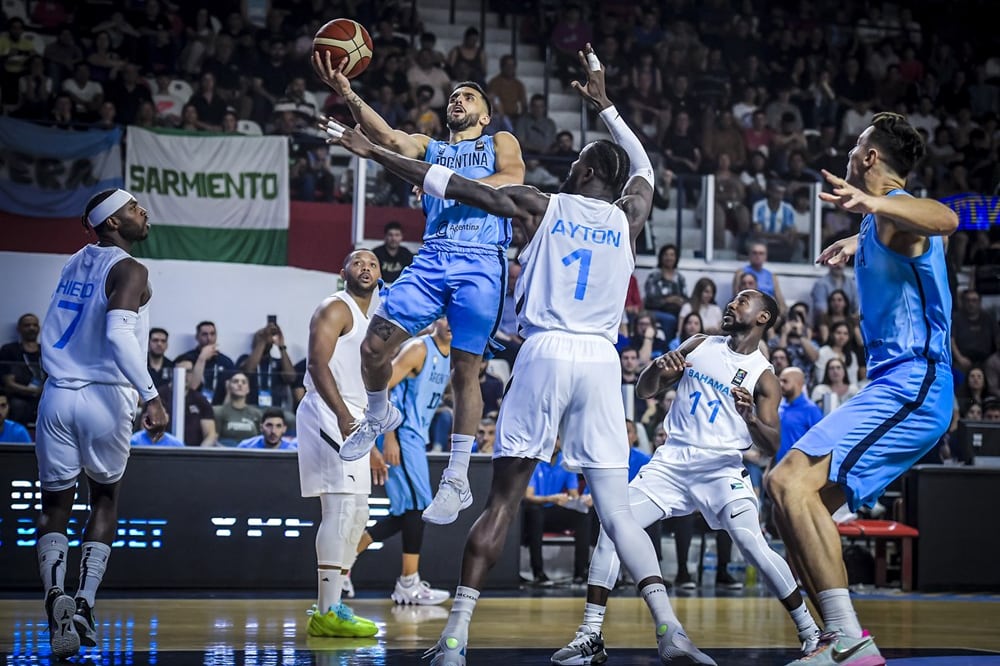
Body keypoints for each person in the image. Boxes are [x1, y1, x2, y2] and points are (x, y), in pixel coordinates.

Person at [326, 43, 682, 666]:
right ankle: (670, 631)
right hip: (603, 362)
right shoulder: (632, 215)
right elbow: (645, 167)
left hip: (544, 354)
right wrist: (606, 106)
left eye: (575, 164)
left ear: (580, 173)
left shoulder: (541, 204)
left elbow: (452, 184)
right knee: (618, 510)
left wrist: (375, 153)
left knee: (503, 500)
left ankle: (456, 638)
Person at [767, 112, 958, 666]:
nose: (851, 153)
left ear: (870, 157)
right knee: (794, 508)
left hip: (915, 383)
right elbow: (887, 231)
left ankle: (849, 638)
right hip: (895, 385)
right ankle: (836, 640)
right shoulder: (880, 225)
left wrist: (872, 210)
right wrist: (856, 237)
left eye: (857, 146)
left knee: (787, 481)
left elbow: (945, 219)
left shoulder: (900, 215)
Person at [313, 48, 525, 527]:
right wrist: (348, 93)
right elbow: (386, 137)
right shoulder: (432, 147)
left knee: (465, 372)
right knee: (372, 348)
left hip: (481, 261)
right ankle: (378, 414)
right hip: (432, 256)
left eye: (468, 96)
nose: (458, 100)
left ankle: (455, 477)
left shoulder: (500, 140)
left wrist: (439, 182)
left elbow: (510, 182)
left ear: (485, 114)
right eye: (453, 95)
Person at [553, 289, 822, 665]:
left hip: (721, 466)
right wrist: (657, 370)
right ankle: (591, 635)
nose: (732, 304)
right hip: (672, 462)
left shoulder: (765, 377)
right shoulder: (699, 344)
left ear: (763, 318)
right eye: (732, 300)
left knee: (752, 545)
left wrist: (750, 418)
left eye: (743, 301)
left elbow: (772, 443)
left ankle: (811, 635)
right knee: (613, 527)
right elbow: (647, 391)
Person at [33, 189, 168, 659]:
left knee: (55, 506)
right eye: (134, 207)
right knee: (105, 497)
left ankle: (55, 596)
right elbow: (117, 333)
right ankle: (86, 604)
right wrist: (151, 394)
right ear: (112, 223)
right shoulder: (130, 269)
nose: (143, 212)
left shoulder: (74, 262)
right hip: (105, 396)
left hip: (56, 396)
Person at [295, 250, 386, 638]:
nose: (366, 267)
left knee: (358, 514)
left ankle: (330, 605)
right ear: (342, 272)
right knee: (341, 507)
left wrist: (370, 433)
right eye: (357, 262)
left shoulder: (375, 318)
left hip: (355, 416)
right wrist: (344, 417)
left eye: (373, 263)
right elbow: (317, 365)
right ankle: (327, 611)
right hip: (329, 410)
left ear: (380, 276)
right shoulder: (335, 307)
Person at [354, 318, 452, 606]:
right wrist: (390, 436)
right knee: (418, 508)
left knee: (408, 512)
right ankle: (408, 583)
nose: (449, 322)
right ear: (435, 319)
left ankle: (345, 561)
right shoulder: (419, 349)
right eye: (444, 315)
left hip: (414, 436)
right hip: (402, 434)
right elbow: (381, 386)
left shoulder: (450, 354)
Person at [0, 313, 44, 427]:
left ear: (39, 328)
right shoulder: (9, 350)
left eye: (35, 325)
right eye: (27, 325)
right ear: (19, 328)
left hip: (43, 396)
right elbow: (9, 383)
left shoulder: (46, 350)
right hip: (18, 397)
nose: (31, 328)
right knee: (17, 405)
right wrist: (34, 391)